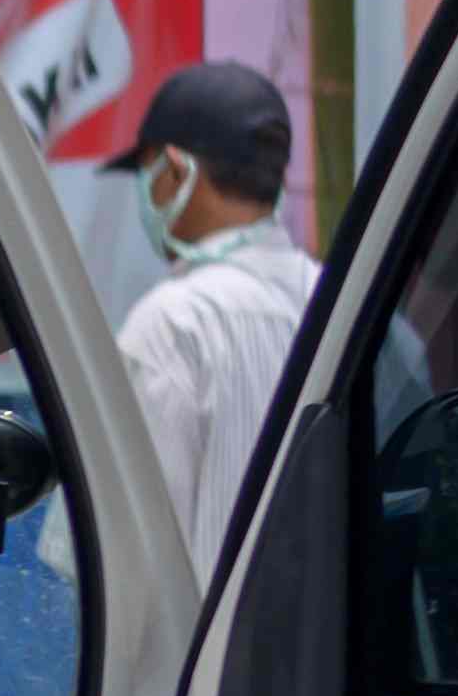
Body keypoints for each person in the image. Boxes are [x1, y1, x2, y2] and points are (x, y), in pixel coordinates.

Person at [109, 56, 325, 539]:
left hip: (207, 620)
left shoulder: (171, 325)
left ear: (176, 172)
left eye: (146, 173)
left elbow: (123, 560)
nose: (146, 194)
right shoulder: (343, 307)